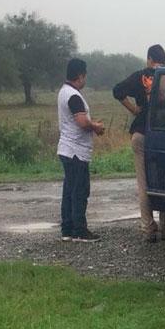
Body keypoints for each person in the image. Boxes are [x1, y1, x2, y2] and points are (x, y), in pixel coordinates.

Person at [113, 44, 165, 243]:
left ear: (149, 59)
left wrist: (134, 110)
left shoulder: (139, 76)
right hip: (164, 136)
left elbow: (117, 91)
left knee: (144, 184)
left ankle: (148, 228)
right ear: (163, 59)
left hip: (141, 134)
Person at [57, 58, 105, 243]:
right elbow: (82, 122)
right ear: (80, 75)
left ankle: (67, 229)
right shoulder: (74, 96)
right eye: (85, 75)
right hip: (76, 151)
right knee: (80, 192)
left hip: (67, 149)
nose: (85, 79)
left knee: (69, 191)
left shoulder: (63, 92)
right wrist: (96, 126)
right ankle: (80, 230)